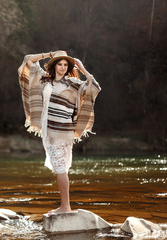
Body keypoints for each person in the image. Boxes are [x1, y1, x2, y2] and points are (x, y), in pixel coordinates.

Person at [18, 51, 101, 215]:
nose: (63, 67)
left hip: (62, 130)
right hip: (48, 129)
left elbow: (95, 86)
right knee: (60, 168)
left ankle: (65, 207)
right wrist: (49, 54)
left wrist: (82, 67)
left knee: (60, 168)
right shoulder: (45, 80)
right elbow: (28, 60)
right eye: (59, 64)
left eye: (65, 65)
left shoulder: (72, 83)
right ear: (54, 65)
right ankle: (65, 206)